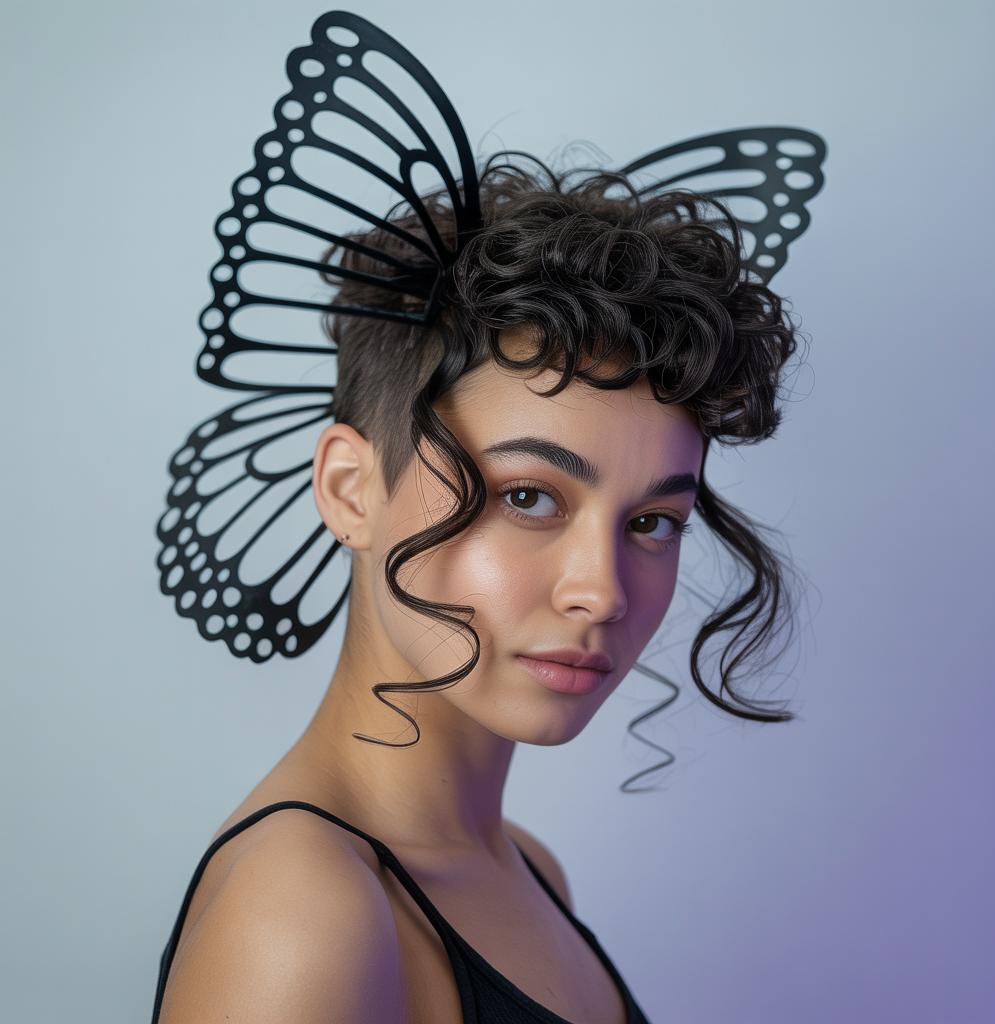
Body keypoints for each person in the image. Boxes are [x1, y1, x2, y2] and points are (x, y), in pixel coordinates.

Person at [152, 13, 818, 1023]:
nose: (600, 591)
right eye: (527, 497)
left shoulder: (531, 873)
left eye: (652, 522)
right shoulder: (306, 915)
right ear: (350, 489)